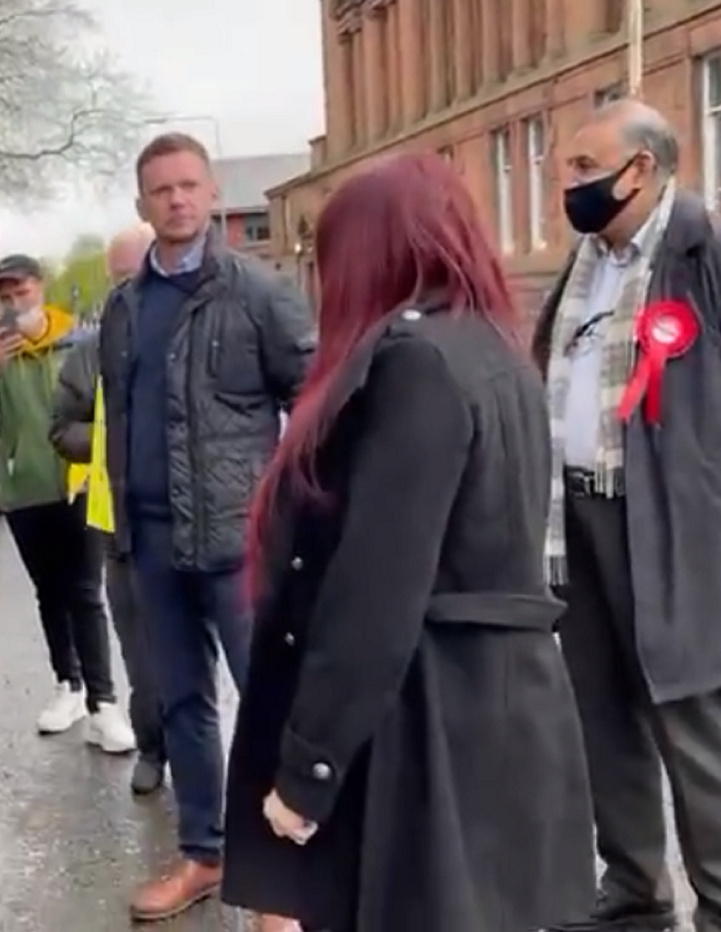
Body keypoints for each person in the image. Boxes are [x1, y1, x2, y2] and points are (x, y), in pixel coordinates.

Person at [221, 151, 595, 932]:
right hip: (500, 705)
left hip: (424, 727)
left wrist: (306, 772)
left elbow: (375, 595)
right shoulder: (493, 348)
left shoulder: (414, 364)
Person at [95, 132, 315, 921]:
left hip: (238, 545)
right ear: (142, 203)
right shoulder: (122, 308)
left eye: (190, 186)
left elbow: (313, 404)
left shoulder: (257, 293)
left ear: (213, 193)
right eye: (162, 190)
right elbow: (115, 421)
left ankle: (283, 883)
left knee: (267, 703)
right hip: (151, 544)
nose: (178, 200)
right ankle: (206, 855)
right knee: (183, 704)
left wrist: (293, 516)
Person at [533, 100, 721, 932]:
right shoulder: (584, 261)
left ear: (638, 169)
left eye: (582, 167)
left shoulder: (699, 248)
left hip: (672, 522)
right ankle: (636, 890)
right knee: (600, 714)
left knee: (692, 721)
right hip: (577, 517)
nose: (568, 184)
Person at [0, 254, 135, 752]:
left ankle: (104, 702)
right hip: (24, 489)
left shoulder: (78, 341)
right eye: (6, 297)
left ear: (41, 288)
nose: (16, 304)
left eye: (23, 293)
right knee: (49, 592)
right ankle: (68, 685)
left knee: (84, 590)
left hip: (77, 485)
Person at [50, 221, 167, 795]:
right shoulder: (88, 354)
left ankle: (242, 775)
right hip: (121, 526)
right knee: (142, 654)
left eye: (140, 272)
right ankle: (153, 751)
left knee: (212, 657)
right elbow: (60, 427)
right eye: (120, 277)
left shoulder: (191, 335)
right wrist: (109, 432)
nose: (131, 287)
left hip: (194, 524)